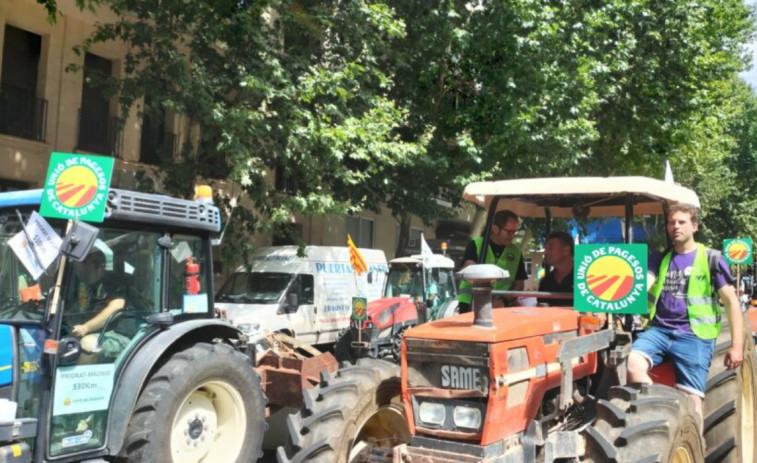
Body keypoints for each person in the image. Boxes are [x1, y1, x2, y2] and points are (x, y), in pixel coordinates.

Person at [627, 204, 743, 425]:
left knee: (692, 399)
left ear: (694, 226)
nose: (676, 226)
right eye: (671, 222)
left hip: (694, 336)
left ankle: (693, 450)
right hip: (659, 331)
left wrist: (736, 346)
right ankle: (662, 416)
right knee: (632, 364)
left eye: (681, 222)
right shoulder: (659, 258)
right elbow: (644, 285)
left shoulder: (711, 258)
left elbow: (732, 303)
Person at [458, 209, 528, 312]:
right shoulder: (476, 244)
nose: (512, 236)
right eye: (509, 232)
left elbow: (519, 284)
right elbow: (469, 270)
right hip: (470, 302)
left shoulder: (516, 252)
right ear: (495, 228)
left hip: (500, 305)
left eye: (514, 232)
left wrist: (504, 300)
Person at [66, 249, 129, 360]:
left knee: (88, 344)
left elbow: (117, 307)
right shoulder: (82, 285)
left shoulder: (112, 281)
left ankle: (82, 377)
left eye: (79, 263)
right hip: (98, 333)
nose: (75, 267)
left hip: (120, 335)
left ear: (91, 264)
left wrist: (86, 327)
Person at [537, 231, 574, 306]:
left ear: (566, 250)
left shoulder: (585, 277)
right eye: (545, 248)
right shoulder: (546, 282)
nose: (545, 252)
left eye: (550, 248)